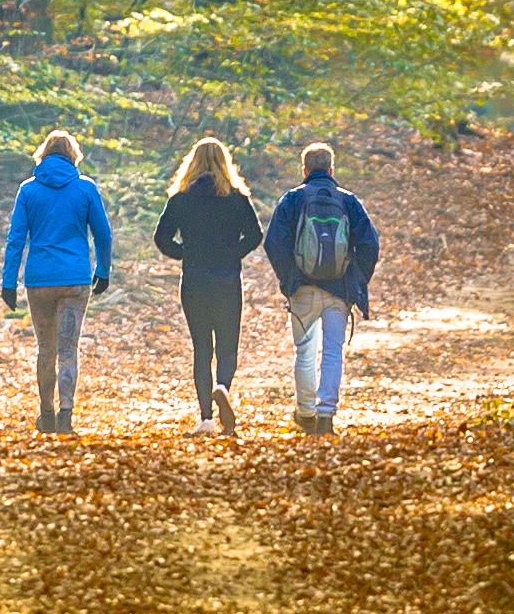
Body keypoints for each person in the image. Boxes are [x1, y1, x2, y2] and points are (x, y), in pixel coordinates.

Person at [0, 129, 113, 433]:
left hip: (39, 281)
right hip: (75, 280)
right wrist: (103, 270)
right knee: (68, 349)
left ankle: (46, 415)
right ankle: (66, 415)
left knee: (45, 349)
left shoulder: (28, 190)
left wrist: (8, 282)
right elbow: (103, 234)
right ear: (73, 154)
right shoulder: (86, 189)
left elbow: (16, 240)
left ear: (43, 154)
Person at [264, 141, 379, 434]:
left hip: (302, 288)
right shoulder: (349, 201)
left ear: (304, 170)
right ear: (331, 169)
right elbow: (369, 244)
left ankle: (305, 413)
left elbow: (274, 243)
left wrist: (290, 279)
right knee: (332, 351)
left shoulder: (291, 200)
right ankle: (326, 416)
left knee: (304, 350)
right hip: (339, 290)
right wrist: (355, 281)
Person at [152, 137, 261, 435]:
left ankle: (206, 419)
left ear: (192, 163)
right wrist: (232, 253)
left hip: (195, 280)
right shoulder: (237, 199)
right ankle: (223, 387)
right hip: (227, 279)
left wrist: (185, 254)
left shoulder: (181, 200)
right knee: (227, 346)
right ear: (225, 164)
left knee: (202, 347)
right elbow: (255, 235)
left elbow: (161, 238)